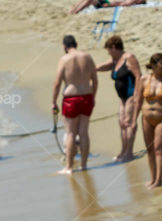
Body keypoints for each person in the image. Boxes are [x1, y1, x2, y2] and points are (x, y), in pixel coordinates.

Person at [52, 35, 98, 174]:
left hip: (71, 98)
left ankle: (69, 167)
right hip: (87, 96)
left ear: (65, 47)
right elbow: (95, 80)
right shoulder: (88, 57)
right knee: (84, 132)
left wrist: (53, 102)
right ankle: (84, 165)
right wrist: (93, 96)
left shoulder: (64, 59)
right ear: (76, 44)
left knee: (71, 133)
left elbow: (57, 83)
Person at [133, 53, 162, 188]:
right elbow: (138, 100)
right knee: (150, 149)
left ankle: (159, 180)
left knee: (158, 149)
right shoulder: (144, 79)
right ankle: (152, 178)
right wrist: (133, 120)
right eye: (161, 63)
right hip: (146, 118)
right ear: (153, 65)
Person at [96, 36, 140, 162]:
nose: (108, 53)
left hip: (131, 95)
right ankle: (123, 151)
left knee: (128, 123)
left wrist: (137, 95)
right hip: (122, 97)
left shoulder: (129, 58)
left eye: (108, 50)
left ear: (114, 48)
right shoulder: (115, 60)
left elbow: (138, 76)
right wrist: (91, 68)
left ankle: (129, 153)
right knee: (121, 123)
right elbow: (102, 66)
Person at [69, 0, 145, 14]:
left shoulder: (130, 1)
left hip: (106, 3)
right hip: (106, 2)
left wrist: (107, 5)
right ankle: (73, 10)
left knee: (89, 0)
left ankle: (75, 11)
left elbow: (123, 4)